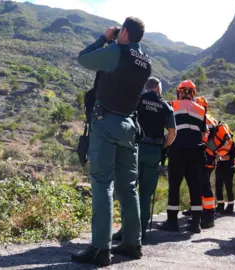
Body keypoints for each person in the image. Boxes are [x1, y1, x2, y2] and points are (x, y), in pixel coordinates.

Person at [71, 17, 152, 266]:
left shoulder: (116, 50)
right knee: (127, 187)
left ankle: (100, 249)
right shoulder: (147, 62)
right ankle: (132, 243)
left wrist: (105, 38)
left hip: (106, 123)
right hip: (129, 127)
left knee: (102, 183)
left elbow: (83, 58)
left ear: (124, 32)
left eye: (120, 32)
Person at [112, 77, 177, 241]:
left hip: (134, 149)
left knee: (128, 190)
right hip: (154, 152)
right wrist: (163, 146)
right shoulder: (166, 106)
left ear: (146, 88)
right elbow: (172, 132)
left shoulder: (137, 101)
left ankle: (125, 230)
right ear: (159, 89)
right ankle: (140, 230)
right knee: (146, 193)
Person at [157, 80, 207, 233]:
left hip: (177, 150)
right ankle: (196, 223)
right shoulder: (201, 109)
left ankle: (172, 221)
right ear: (193, 93)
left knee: (174, 186)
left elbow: (166, 127)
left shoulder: (172, 105)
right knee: (195, 186)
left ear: (179, 92)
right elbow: (204, 133)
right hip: (196, 151)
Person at [182, 96, 217, 229]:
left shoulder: (205, 118)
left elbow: (204, 137)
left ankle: (208, 217)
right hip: (207, 156)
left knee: (204, 186)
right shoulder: (208, 118)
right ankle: (200, 213)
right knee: (199, 185)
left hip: (205, 156)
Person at [209, 122, 235, 215]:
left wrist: (219, 157)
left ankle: (230, 207)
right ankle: (220, 206)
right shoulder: (218, 142)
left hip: (228, 166)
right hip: (220, 167)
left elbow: (232, 156)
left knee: (228, 187)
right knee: (218, 187)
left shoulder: (231, 143)